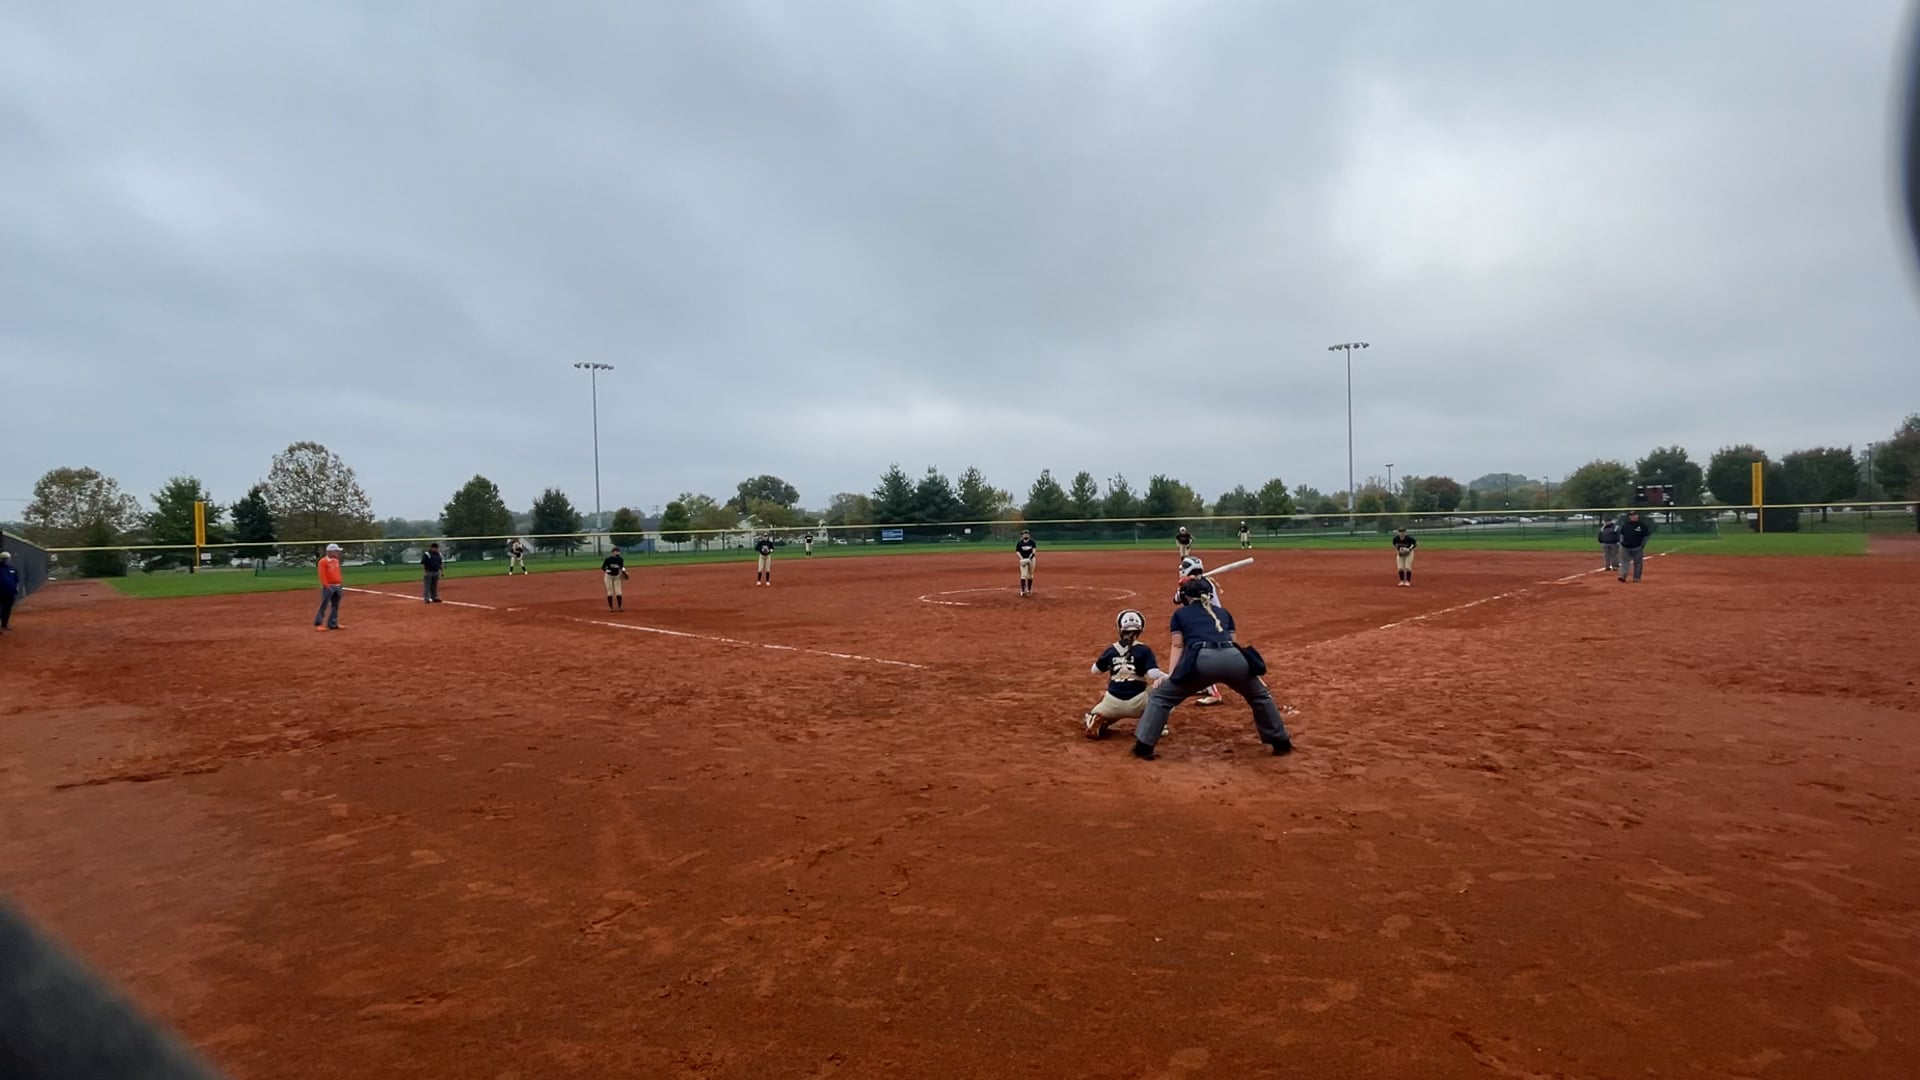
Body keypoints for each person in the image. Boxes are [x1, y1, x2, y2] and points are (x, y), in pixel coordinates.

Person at [1132, 577, 1293, 760]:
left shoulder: (1180, 614)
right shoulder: (1223, 613)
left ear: (1186, 597)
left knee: (1161, 697)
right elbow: (1233, 642)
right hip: (1234, 658)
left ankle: (1143, 747)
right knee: (1260, 696)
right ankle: (1281, 743)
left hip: (1202, 661)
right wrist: (1252, 676)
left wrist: (1173, 675)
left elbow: (1178, 645)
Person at [1083, 609, 1167, 740]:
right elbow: (1153, 674)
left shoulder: (1111, 650)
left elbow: (1095, 670)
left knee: (1097, 713)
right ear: (1140, 629)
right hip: (1138, 703)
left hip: (1112, 702)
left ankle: (1096, 719)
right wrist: (1169, 677)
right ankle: (1155, 725)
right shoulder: (1144, 650)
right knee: (1165, 692)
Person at [1174, 557, 1224, 705]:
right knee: (1192, 654)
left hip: (1210, 624)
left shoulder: (1204, 584)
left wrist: (1187, 585)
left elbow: (1191, 595)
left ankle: (1214, 693)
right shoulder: (1191, 584)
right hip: (1202, 623)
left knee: (1199, 655)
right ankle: (1205, 685)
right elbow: (1177, 599)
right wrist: (1184, 586)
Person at [313, 543, 344, 631]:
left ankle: (333, 623)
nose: (338, 553)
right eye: (336, 551)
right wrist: (326, 585)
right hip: (328, 586)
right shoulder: (323, 562)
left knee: (335, 605)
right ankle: (319, 624)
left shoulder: (336, 561)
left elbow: (337, 573)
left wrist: (340, 583)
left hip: (337, 586)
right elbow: (322, 574)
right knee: (324, 604)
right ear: (330, 552)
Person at [1618, 511, 1651, 583]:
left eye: (1634, 515)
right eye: (1631, 515)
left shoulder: (1642, 525)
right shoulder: (1626, 525)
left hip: (1637, 547)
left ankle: (1636, 577)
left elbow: (1646, 536)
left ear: (1637, 516)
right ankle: (1623, 576)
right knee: (1624, 562)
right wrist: (1621, 542)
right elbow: (1621, 534)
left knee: (1638, 563)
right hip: (1625, 547)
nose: (1633, 517)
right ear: (1629, 517)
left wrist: (1642, 544)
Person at [601, 545, 628, 609]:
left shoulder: (620, 559)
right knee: (610, 592)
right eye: (616, 551)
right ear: (612, 552)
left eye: (618, 551)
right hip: (608, 577)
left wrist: (625, 571)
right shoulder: (608, 559)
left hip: (617, 576)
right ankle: (610, 607)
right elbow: (603, 567)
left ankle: (620, 606)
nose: (618, 552)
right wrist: (608, 571)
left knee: (618, 592)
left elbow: (622, 567)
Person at [0, 551, 19, 633]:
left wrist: (16, 588)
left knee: (7, 609)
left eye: (7, 558)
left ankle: (4, 624)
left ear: (9, 559)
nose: (5, 560)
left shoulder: (13, 569)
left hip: (10, 593)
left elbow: (16, 580)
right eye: (3, 558)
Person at [1016, 529, 1037, 597]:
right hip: (1023, 560)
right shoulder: (1019, 543)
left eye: (1027, 534)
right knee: (1023, 575)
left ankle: (1029, 590)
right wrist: (1022, 559)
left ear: (1029, 535)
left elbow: (1034, 552)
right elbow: (1017, 551)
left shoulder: (1032, 542)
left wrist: (1029, 559)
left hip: (1031, 560)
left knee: (1030, 575)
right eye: (1024, 534)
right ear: (1022, 535)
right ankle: (1022, 591)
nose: (1025, 535)